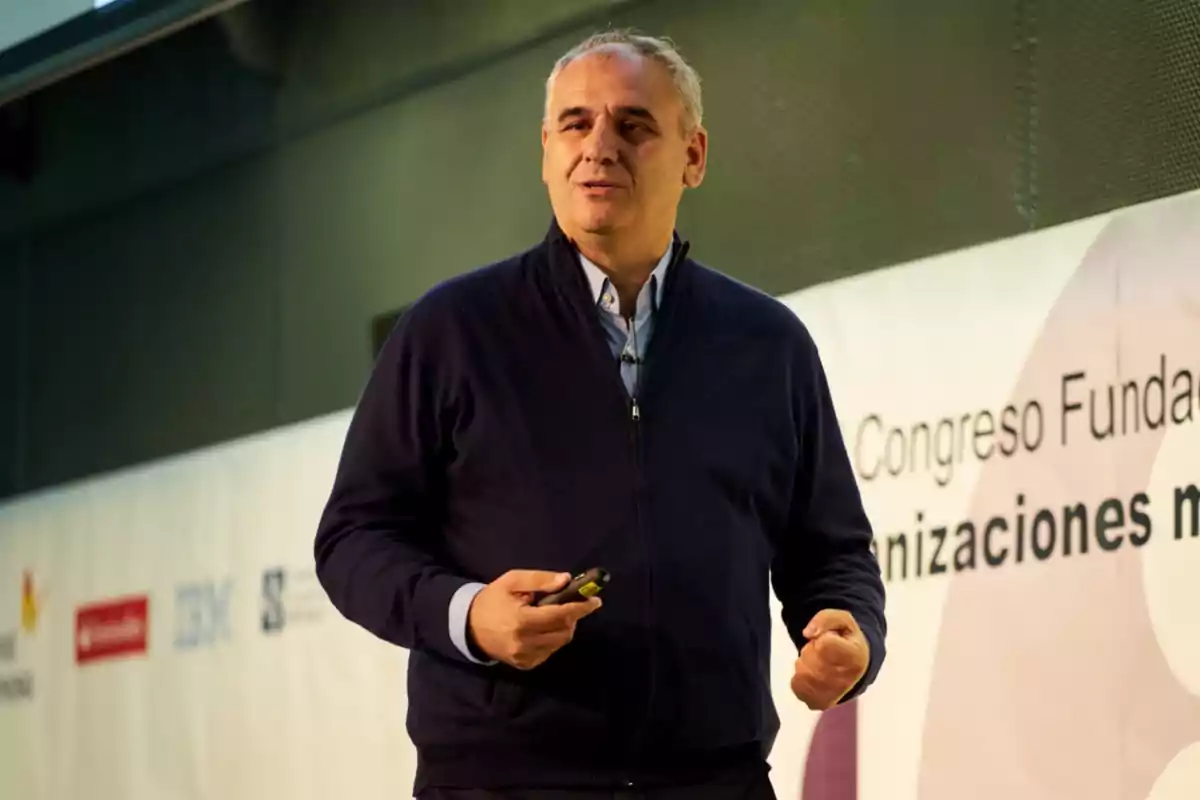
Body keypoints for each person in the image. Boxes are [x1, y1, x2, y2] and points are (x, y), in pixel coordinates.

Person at [314, 29, 886, 800]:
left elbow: (832, 553)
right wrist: (470, 615)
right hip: (499, 783)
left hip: (714, 781)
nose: (600, 146)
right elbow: (354, 538)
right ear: (546, 149)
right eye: (576, 124)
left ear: (694, 156)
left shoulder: (768, 344)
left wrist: (850, 636)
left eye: (634, 125)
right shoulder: (453, 329)